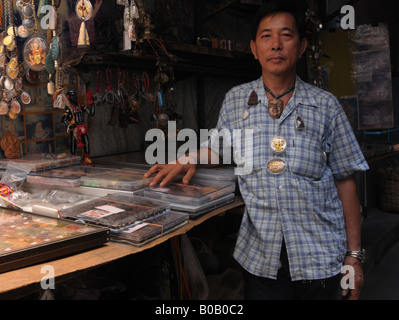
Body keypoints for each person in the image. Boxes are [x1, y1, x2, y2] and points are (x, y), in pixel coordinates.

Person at [144, 0, 369, 300]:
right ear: (254, 48)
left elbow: (345, 181)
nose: (276, 45)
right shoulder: (237, 100)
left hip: (321, 260)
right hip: (262, 262)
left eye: (286, 35)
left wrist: (353, 255)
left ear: (302, 46)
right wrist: (186, 159)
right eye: (266, 36)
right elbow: (221, 147)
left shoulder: (325, 106)